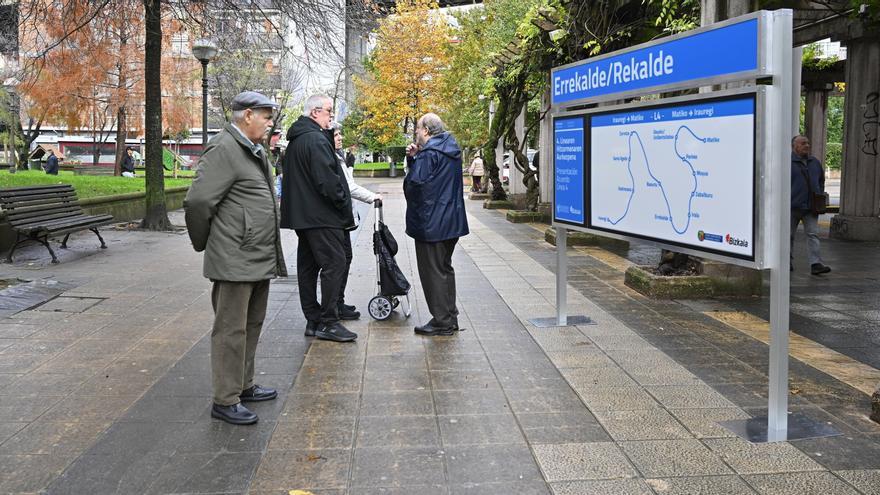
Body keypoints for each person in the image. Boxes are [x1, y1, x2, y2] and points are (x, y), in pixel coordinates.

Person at [183, 91, 286, 425]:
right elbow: (198, 203)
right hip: (235, 257)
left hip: (255, 254)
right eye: (266, 116)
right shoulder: (225, 148)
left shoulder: (252, 150)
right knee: (230, 329)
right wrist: (206, 244)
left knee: (251, 324)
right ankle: (225, 399)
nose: (271, 123)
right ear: (247, 116)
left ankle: (243, 385)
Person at [280, 94, 357, 343]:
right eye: (328, 111)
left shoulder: (298, 140)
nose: (331, 117)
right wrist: (342, 201)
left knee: (308, 267)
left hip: (305, 217)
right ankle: (328, 321)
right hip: (322, 217)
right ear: (314, 112)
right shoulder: (314, 140)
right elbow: (328, 182)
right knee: (335, 263)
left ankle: (313, 320)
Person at [404, 113, 469, 336]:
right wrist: (417, 157)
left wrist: (414, 160)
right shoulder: (451, 150)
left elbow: (414, 185)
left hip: (431, 223)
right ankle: (449, 316)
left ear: (426, 131)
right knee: (444, 269)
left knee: (432, 272)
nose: (416, 133)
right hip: (451, 221)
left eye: (417, 129)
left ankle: (442, 321)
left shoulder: (429, 154)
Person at [332, 123, 380, 319]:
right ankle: (335, 304)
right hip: (337, 218)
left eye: (340, 134)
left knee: (345, 258)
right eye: (336, 135)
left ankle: (338, 302)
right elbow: (348, 187)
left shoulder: (340, 157)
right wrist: (372, 197)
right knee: (342, 259)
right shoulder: (333, 158)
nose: (340, 137)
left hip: (343, 217)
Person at [791, 135, 831, 275]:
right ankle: (786, 261)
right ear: (794, 146)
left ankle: (816, 264)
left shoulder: (814, 162)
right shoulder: (787, 162)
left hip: (810, 208)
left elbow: (821, 180)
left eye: (808, 143)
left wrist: (818, 192)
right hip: (792, 207)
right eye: (803, 143)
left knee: (813, 234)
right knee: (789, 236)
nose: (807, 145)